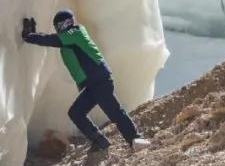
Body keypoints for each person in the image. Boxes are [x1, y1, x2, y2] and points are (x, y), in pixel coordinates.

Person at [21, 9, 150, 152]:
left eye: (59, 26)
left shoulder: (75, 32)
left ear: (66, 23)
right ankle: (100, 142)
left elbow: (52, 40)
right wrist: (33, 34)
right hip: (92, 85)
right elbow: (53, 39)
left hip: (99, 81)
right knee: (76, 113)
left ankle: (135, 139)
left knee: (115, 112)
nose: (58, 29)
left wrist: (29, 36)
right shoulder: (70, 37)